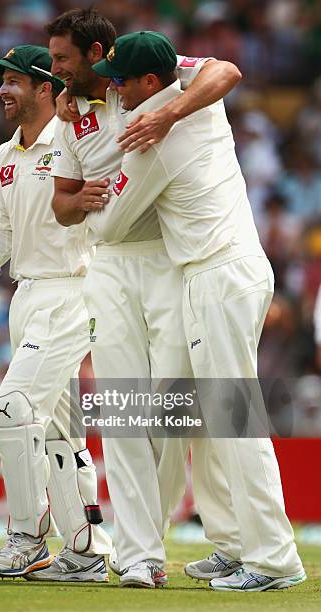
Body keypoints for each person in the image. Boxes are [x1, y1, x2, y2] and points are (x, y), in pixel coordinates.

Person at [88, 30, 306, 592]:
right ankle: (233, 544)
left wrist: (89, 193)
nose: (112, 90)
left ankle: (275, 560)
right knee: (213, 421)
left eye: (120, 82)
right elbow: (220, 70)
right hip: (222, 272)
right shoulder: (195, 101)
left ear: (151, 83)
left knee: (236, 421)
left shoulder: (153, 135)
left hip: (217, 276)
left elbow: (110, 225)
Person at [37, 7, 241, 588]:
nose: (55, 72)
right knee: (125, 412)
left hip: (171, 259)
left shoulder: (144, 73)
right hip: (111, 264)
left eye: (62, 60)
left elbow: (224, 70)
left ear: (100, 56)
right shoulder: (68, 115)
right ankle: (139, 557)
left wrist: (168, 116)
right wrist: (89, 197)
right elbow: (61, 205)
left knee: (179, 408)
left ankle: (216, 537)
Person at [0, 45, 111, 581]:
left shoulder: (74, 141)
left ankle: (27, 537)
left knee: (12, 406)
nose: (0, 91)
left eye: (12, 82)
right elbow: (4, 236)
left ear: (44, 89)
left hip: (72, 290)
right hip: (27, 297)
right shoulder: (3, 158)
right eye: (1, 82)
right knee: (59, 432)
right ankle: (84, 552)